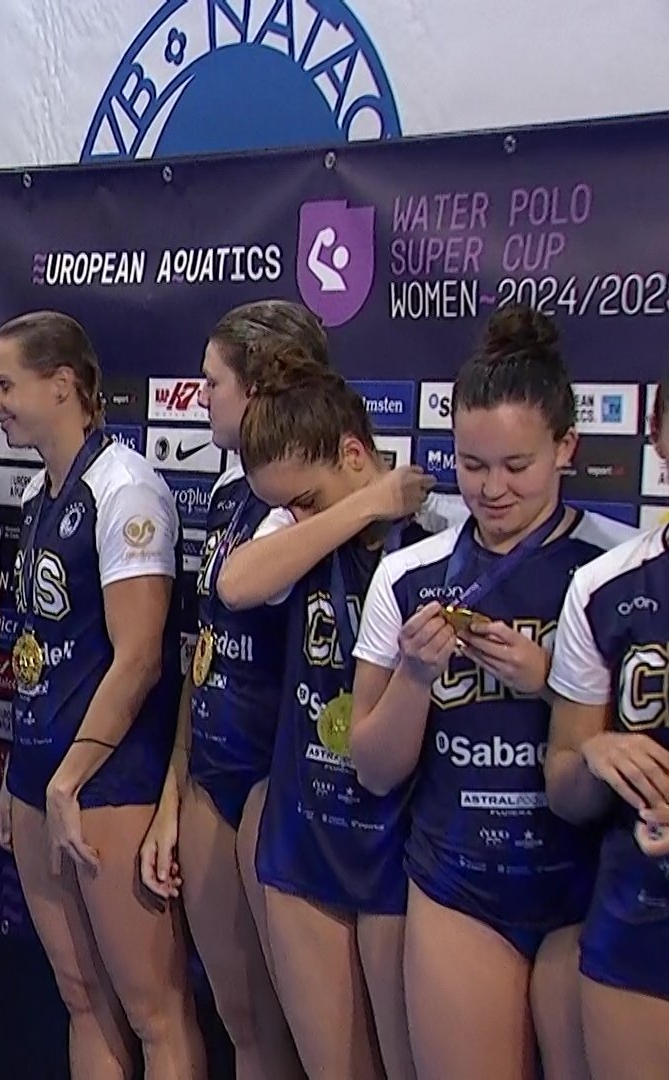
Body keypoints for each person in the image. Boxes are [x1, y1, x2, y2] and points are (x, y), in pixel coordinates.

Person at [348, 306, 632, 1079]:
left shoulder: (619, 568)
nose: (493, 488)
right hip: (459, 883)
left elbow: (650, 750)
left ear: (566, 447)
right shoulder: (408, 574)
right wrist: (415, 677)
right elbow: (372, 767)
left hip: (586, 884)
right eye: (473, 465)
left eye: (516, 465)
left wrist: (553, 683)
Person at [0, 311, 204, 1078]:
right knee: (81, 996)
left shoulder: (126, 488)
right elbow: (39, 651)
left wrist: (70, 777)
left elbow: (139, 659)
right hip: (43, 776)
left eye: (5, 385)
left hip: (109, 783)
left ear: (62, 384)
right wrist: (21, 776)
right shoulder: (41, 494)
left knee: (153, 1009)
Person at [230, 359, 435, 1080]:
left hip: (397, 836)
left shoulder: (432, 542)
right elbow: (236, 583)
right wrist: (360, 505)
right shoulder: (304, 533)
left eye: (305, 500)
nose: (296, 516)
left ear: (353, 452)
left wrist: (381, 509)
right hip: (306, 827)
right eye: (286, 508)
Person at [547, 327, 669, 1080]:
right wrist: (594, 754)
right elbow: (564, 790)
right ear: (656, 438)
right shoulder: (604, 587)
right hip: (648, 923)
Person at [146, 301, 323, 1080]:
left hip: (281, 788)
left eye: (213, 382)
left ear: (260, 389)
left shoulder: (321, 498)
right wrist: (171, 794)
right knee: (242, 1019)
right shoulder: (228, 495)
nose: (200, 397)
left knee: (310, 1035)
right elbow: (204, 653)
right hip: (211, 775)